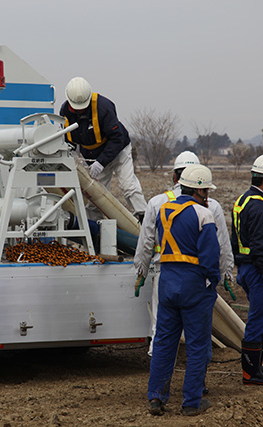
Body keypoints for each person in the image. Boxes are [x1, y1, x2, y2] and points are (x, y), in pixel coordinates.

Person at [134, 151, 234, 357]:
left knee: (160, 329)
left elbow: (145, 242)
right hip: (198, 277)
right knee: (199, 330)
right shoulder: (210, 206)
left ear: (174, 177)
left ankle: (159, 375)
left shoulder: (157, 202)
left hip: (166, 274)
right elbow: (222, 244)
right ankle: (198, 377)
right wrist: (226, 274)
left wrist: (141, 271)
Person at [146, 164, 220, 417]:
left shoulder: (163, 209)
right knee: (197, 345)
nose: (208, 196)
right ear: (200, 190)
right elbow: (211, 258)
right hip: (194, 287)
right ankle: (191, 402)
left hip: (166, 284)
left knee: (164, 342)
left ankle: (156, 397)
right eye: (206, 192)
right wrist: (214, 281)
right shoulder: (203, 215)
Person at [59, 77, 147, 221]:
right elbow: (69, 139)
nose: (80, 110)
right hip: (93, 156)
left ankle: (145, 217)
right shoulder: (65, 112)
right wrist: (73, 156)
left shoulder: (103, 107)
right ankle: (95, 233)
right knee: (95, 195)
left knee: (128, 186)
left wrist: (101, 162)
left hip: (118, 151)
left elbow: (117, 138)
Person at [231, 154, 263, 386]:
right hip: (261, 270)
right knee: (259, 320)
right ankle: (251, 374)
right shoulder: (261, 208)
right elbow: (260, 248)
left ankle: (257, 367)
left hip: (247, 267)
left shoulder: (243, 200)